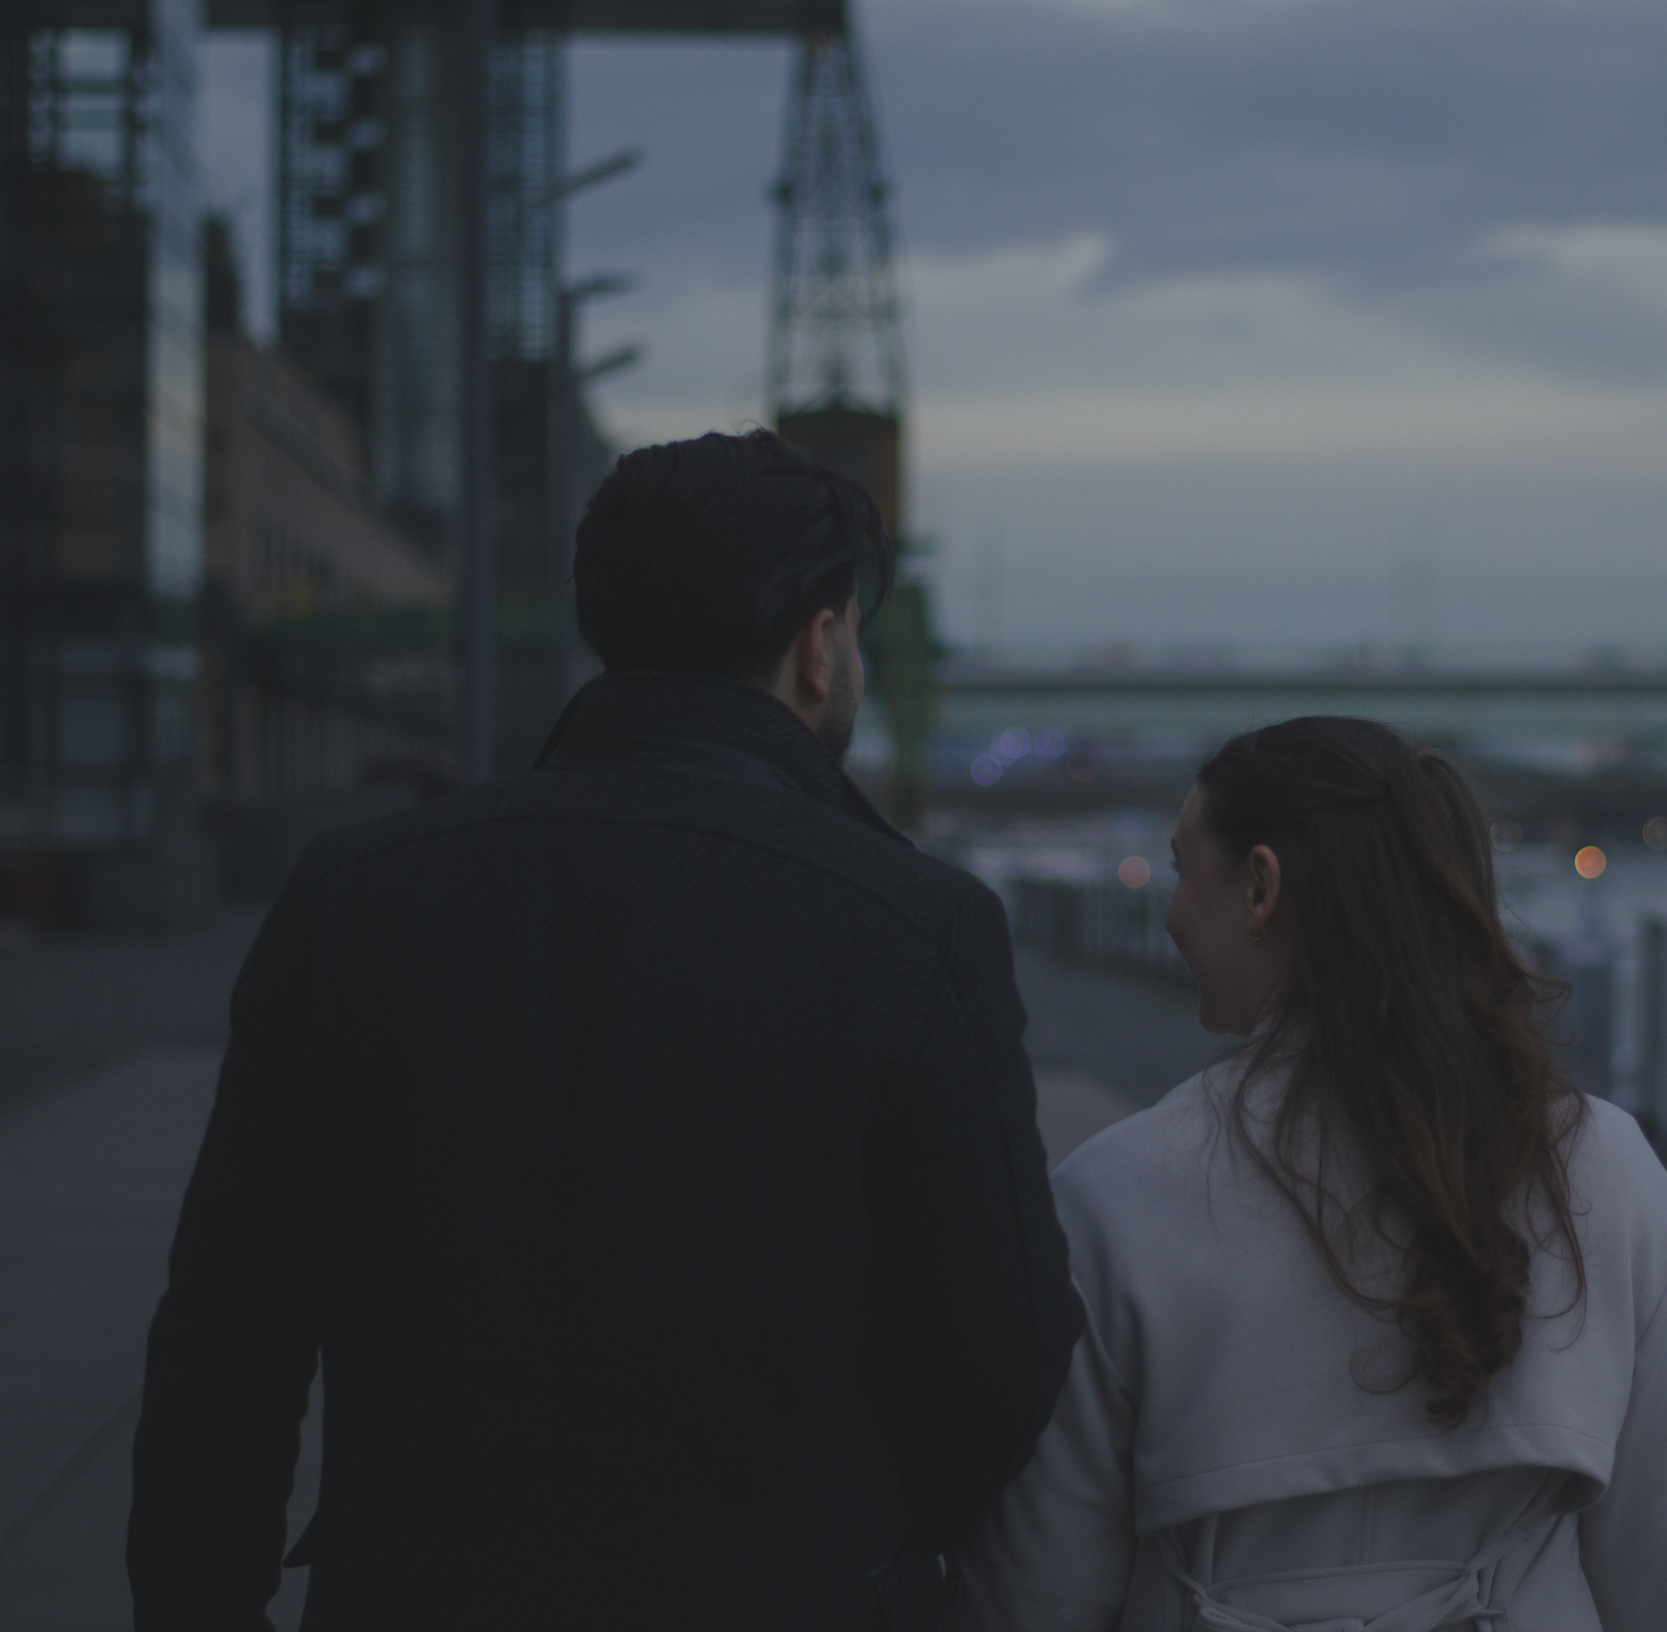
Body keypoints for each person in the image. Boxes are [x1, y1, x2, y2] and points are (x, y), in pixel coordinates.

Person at [128, 429, 1083, 1630]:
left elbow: (228, 1335)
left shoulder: (351, 895)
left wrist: (197, 1608)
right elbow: (999, 1364)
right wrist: (855, 1545)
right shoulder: (915, 927)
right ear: (819, 642)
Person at [958, 717, 1667, 1631]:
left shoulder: (1110, 1201)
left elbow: (1035, 1595)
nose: (1172, 912)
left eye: (1183, 870)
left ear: (1262, 886)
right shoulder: (1611, 1176)